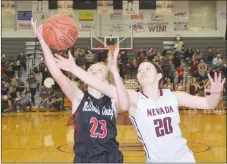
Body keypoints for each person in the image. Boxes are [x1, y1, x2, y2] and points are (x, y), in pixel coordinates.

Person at [31, 18, 129, 163]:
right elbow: (58, 75)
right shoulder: (78, 97)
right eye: (91, 69)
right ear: (85, 76)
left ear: (106, 80)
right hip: (84, 159)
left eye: (100, 69)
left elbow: (125, 105)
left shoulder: (113, 100)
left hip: (111, 159)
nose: (94, 70)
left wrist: (114, 72)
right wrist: (43, 43)